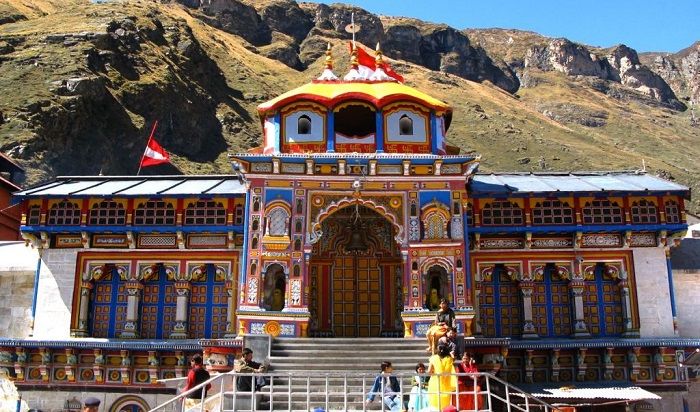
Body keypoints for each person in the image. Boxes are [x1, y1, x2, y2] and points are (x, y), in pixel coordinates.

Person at [427, 344, 457, 412]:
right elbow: (453, 358)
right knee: (445, 403)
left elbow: (429, 371)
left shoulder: (433, 358)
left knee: (435, 401)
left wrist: (435, 374)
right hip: (445, 383)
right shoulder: (449, 358)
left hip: (435, 382)